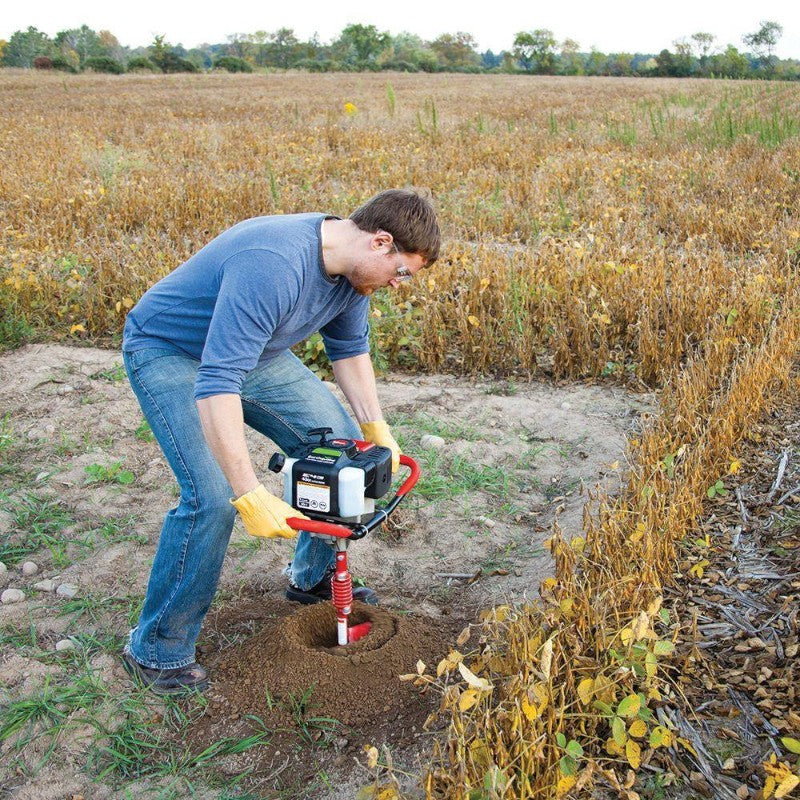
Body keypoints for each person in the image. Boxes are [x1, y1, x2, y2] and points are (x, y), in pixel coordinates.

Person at [120, 189, 440, 694]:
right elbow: (217, 382)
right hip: (173, 352)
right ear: (380, 242)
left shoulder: (352, 277)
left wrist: (375, 428)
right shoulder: (274, 265)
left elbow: (350, 351)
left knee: (342, 449)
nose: (400, 284)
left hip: (256, 355)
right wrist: (248, 490)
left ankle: (312, 579)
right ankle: (156, 648)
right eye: (402, 272)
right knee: (211, 499)